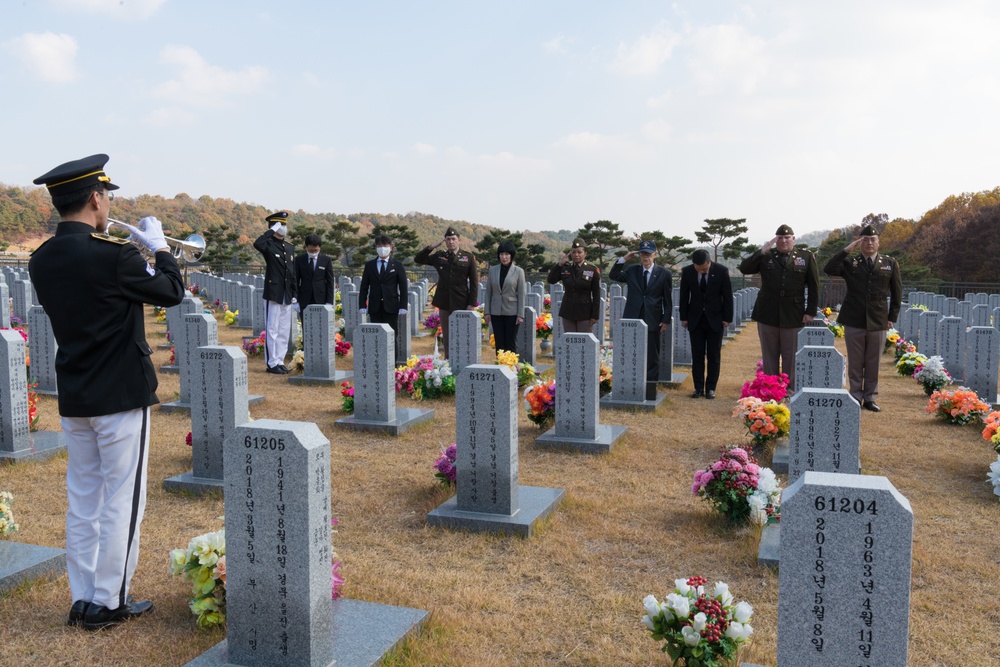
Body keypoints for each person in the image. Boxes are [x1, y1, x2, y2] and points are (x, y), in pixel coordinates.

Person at [28, 154, 185, 630]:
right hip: (120, 394)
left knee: (85, 498)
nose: (109, 202)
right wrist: (160, 249)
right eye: (107, 195)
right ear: (96, 198)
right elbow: (171, 292)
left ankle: (83, 598)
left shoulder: (41, 258)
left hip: (76, 393)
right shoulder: (113, 254)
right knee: (123, 499)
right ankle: (110, 601)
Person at [823, 224, 902, 412]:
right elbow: (829, 268)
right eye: (865, 240)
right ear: (860, 242)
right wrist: (846, 250)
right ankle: (855, 395)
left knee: (873, 361)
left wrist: (892, 316)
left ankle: (870, 398)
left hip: (878, 318)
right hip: (854, 317)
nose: (869, 243)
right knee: (856, 361)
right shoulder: (851, 262)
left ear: (878, 242)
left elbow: (897, 292)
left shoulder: (889, 263)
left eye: (873, 239)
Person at [738, 224, 819, 390]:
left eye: (787, 238)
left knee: (791, 356)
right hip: (768, 311)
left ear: (793, 239)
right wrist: (761, 252)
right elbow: (744, 268)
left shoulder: (806, 257)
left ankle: (788, 390)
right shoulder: (766, 255)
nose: (783, 241)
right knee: (769, 356)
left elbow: (813, 286)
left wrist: (810, 311)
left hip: (793, 313)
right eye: (780, 238)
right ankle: (770, 390)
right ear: (775, 240)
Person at [609, 239, 673, 400]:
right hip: (632, 317)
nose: (646, 257)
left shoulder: (664, 274)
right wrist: (624, 259)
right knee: (630, 351)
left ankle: (650, 386)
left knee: (652, 354)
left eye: (649, 254)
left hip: (653, 318)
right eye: (643, 254)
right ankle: (630, 383)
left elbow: (667, 299)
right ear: (639, 255)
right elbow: (614, 275)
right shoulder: (632, 270)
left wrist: (665, 320)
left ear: (655, 255)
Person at [679, 249, 734, 399]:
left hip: (715, 318)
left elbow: (727, 295)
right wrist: (683, 317)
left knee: (714, 355)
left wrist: (727, 318)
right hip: (695, 318)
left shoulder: (721, 271)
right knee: (697, 355)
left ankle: (710, 388)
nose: (701, 271)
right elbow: (684, 295)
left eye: (704, 268)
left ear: (709, 262)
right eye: (698, 268)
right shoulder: (688, 272)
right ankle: (698, 388)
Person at [415, 227, 477, 358]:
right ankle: (448, 358)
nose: (451, 242)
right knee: (447, 333)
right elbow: (418, 259)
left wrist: (471, 303)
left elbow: (474, 282)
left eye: (453, 239)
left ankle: (462, 358)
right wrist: (431, 247)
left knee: (461, 332)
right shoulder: (439, 256)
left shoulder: (468, 257)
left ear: (459, 240)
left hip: (461, 300)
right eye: (448, 239)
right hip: (444, 301)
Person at [253, 211, 298, 374]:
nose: (284, 227)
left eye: (285, 224)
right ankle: (271, 363)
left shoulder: (289, 247)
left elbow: (292, 272)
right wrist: (271, 231)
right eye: (281, 225)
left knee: (284, 329)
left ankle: (280, 360)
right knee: (272, 328)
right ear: (274, 226)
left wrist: (295, 293)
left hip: (287, 293)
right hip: (273, 292)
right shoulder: (268, 244)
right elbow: (257, 243)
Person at [547, 238, 601, 333]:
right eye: (573, 252)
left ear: (585, 253)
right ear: (570, 254)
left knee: (584, 342)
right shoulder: (565, 268)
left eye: (579, 252)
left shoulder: (592, 269)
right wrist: (559, 265)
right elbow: (551, 280)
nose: (576, 255)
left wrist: (595, 315)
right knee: (569, 342)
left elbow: (596, 294)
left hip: (584, 312)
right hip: (568, 310)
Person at [483, 240, 526, 356]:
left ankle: (511, 370)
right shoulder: (493, 270)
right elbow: (488, 292)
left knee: (510, 343)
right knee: (499, 344)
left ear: (511, 255)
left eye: (507, 254)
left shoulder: (518, 271)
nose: (504, 257)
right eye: (501, 254)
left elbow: (522, 293)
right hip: (496, 311)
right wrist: (487, 312)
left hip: (512, 312)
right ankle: (500, 369)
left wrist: (520, 314)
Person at [359, 234, 408, 332]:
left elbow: (403, 287)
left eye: (385, 246)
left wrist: (403, 306)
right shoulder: (370, 265)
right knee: (375, 334)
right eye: (379, 246)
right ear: (376, 248)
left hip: (391, 305)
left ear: (391, 247)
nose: (382, 248)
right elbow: (364, 287)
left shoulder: (397, 265)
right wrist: (362, 305)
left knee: (392, 334)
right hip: (374, 306)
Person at [293, 233, 335, 321]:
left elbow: (330, 281)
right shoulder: (299, 260)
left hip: (321, 297)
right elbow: (295, 280)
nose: (313, 253)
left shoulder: (326, 260)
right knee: (307, 325)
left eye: (315, 250)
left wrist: (329, 301)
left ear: (319, 247)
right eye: (311, 251)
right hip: (304, 297)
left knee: (321, 324)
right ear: (306, 247)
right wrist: (295, 299)